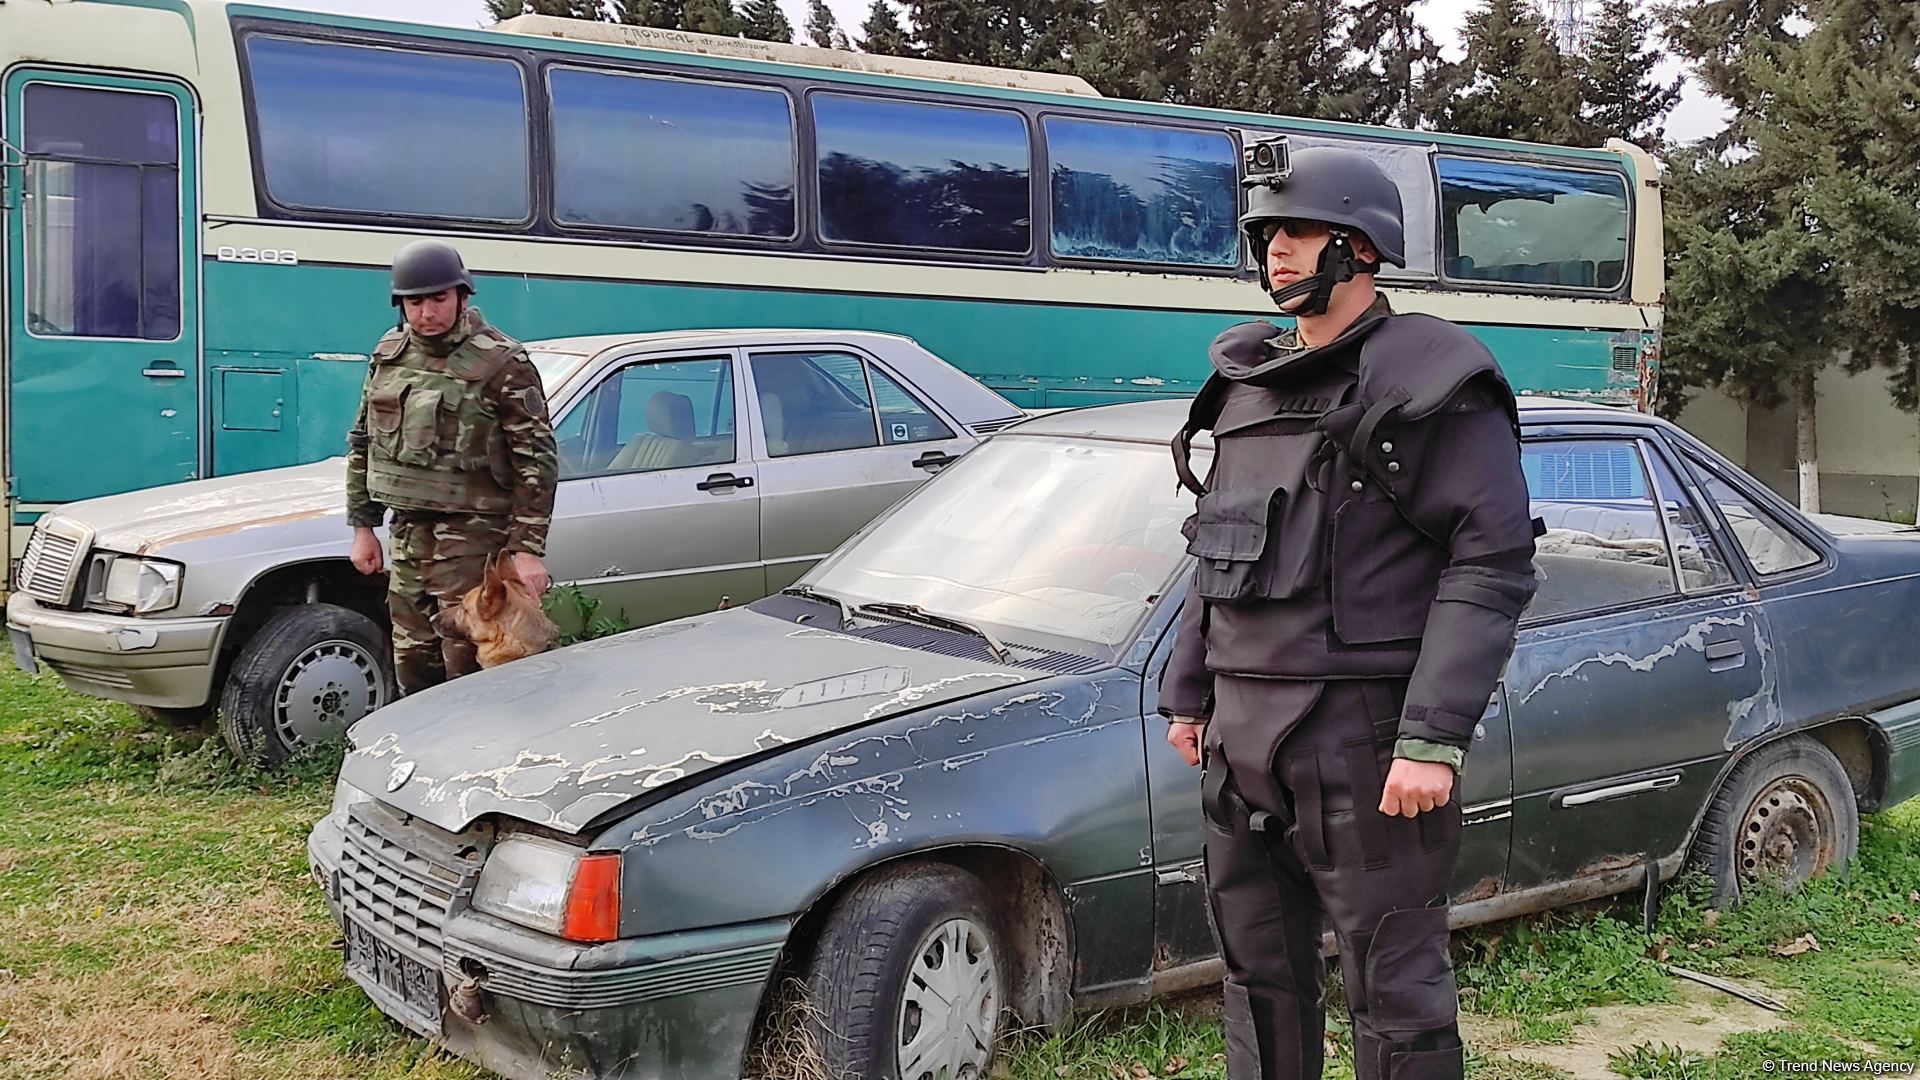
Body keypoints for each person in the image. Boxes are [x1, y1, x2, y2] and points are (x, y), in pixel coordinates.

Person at [1159, 139, 1540, 1080]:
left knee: (1395, 988)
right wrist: (1189, 693)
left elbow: (1490, 560)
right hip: (1243, 745)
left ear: (1361, 249)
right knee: (1257, 977)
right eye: (1265, 235)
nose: (1275, 251)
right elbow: (1217, 550)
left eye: (1298, 231)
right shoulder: (1247, 384)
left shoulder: (1433, 378)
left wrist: (1430, 738)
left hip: (1363, 740)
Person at [346, 240, 559, 696]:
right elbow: (363, 441)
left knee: (468, 667)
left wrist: (527, 550)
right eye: (414, 301)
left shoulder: (503, 362)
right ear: (400, 303)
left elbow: (535, 458)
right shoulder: (388, 354)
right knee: (411, 657)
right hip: (407, 536)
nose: (426, 312)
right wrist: (363, 525)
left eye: (438, 298)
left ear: (462, 296)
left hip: (474, 539)